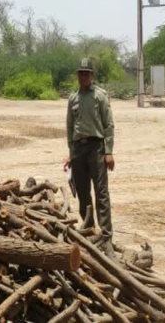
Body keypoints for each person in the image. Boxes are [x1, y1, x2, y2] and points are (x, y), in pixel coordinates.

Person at [65, 58, 116, 256]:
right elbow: (70, 127)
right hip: (79, 149)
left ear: (92, 76)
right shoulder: (73, 98)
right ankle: (89, 230)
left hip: (97, 149)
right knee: (83, 193)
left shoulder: (100, 96)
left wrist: (109, 151)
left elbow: (109, 125)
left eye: (86, 73)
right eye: (80, 73)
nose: (83, 76)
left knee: (101, 192)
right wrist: (71, 152)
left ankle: (106, 235)